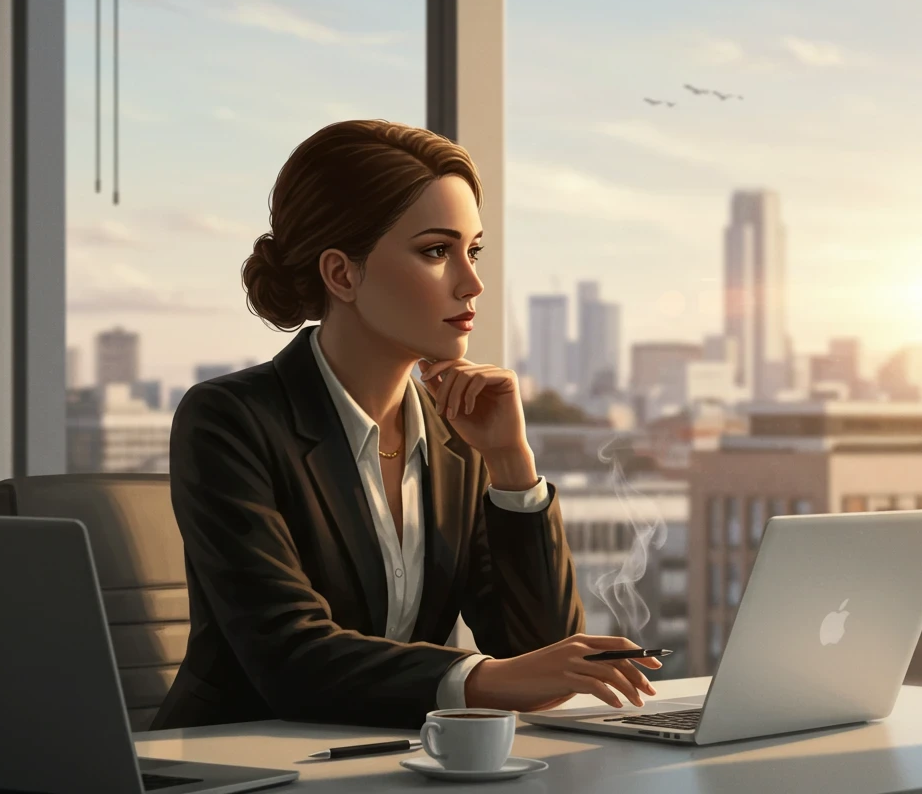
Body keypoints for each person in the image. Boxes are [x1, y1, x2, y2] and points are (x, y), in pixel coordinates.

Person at [152, 120, 662, 731]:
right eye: (436, 252)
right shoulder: (232, 419)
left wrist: (510, 464)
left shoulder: (457, 438)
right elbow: (287, 654)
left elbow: (541, 655)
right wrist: (484, 680)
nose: (472, 283)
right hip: (236, 759)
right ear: (342, 274)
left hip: (391, 759)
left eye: (473, 251)